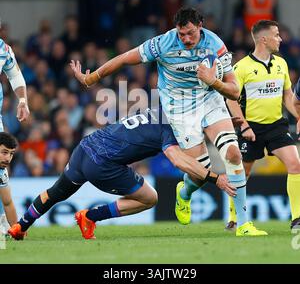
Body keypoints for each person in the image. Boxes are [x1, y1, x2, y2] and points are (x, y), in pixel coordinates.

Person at [70, 7, 267, 236]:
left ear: (200, 26)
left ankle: (243, 224)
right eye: (181, 34)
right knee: (199, 174)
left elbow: (234, 92)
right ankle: (184, 193)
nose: (185, 39)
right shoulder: (163, 43)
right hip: (179, 109)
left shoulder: (215, 45)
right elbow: (125, 58)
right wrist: (92, 78)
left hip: (210, 100)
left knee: (233, 153)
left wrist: (214, 82)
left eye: (190, 34)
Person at [8, 106, 236, 240]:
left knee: (57, 192)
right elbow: (179, 161)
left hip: (86, 146)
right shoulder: (171, 128)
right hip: (103, 164)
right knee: (150, 198)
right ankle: (90, 217)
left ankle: (20, 226)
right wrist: (215, 178)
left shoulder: (157, 110)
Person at [226, 20, 300, 230]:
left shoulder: (281, 63)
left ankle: (297, 218)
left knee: (296, 165)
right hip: (252, 128)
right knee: (243, 173)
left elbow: (287, 95)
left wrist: (298, 116)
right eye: (276, 35)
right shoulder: (240, 68)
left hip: (276, 126)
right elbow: (231, 100)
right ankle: (234, 217)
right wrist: (245, 126)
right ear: (263, 39)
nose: (280, 38)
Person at [0, 38, 30, 232]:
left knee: (2, 178)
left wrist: (22, 99)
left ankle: (12, 228)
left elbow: (15, 76)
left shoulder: (2, 48)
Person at [0, 132, 18, 234]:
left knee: (1, 240)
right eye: (4, 152)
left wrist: (17, 229)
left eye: (11, 154)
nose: (8, 159)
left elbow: (7, 203)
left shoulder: (2, 173)